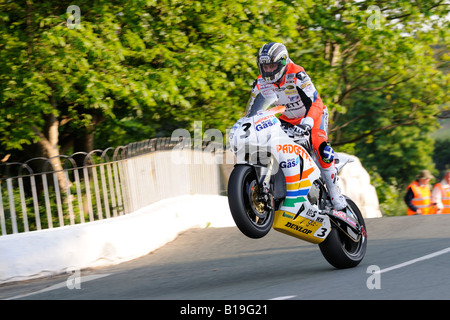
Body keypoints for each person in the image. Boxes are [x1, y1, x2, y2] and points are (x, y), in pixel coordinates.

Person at [248, 42, 347, 211]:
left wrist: (308, 121)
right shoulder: (260, 82)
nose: (269, 70)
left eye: (273, 66)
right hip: (286, 119)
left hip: (312, 115)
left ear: (283, 62)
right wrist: (248, 127)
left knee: (318, 143)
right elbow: (252, 111)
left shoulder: (297, 74)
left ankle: (334, 193)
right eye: (266, 66)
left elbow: (316, 102)